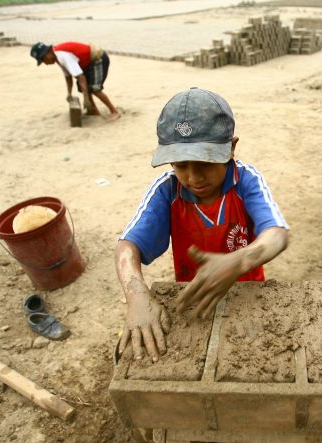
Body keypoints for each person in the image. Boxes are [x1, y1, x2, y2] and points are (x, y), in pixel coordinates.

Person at [115, 87, 289, 362]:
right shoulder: (167, 192)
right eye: (181, 165)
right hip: (192, 297)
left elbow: (277, 235)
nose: (193, 177)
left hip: (248, 293)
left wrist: (240, 261)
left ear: (231, 148)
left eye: (205, 163)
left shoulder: (246, 182)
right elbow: (127, 247)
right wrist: (137, 296)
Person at [30, 41, 120, 121]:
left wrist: (86, 97)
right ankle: (93, 110)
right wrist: (69, 93)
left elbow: (81, 77)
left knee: (94, 88)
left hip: (98, 58)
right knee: (83, 87)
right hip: (88, 63)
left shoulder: (62, 56)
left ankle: (114, 111)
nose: (45, 63)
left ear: (47, 54)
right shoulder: (57, 57)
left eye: (43, 60)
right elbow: (68, 76)